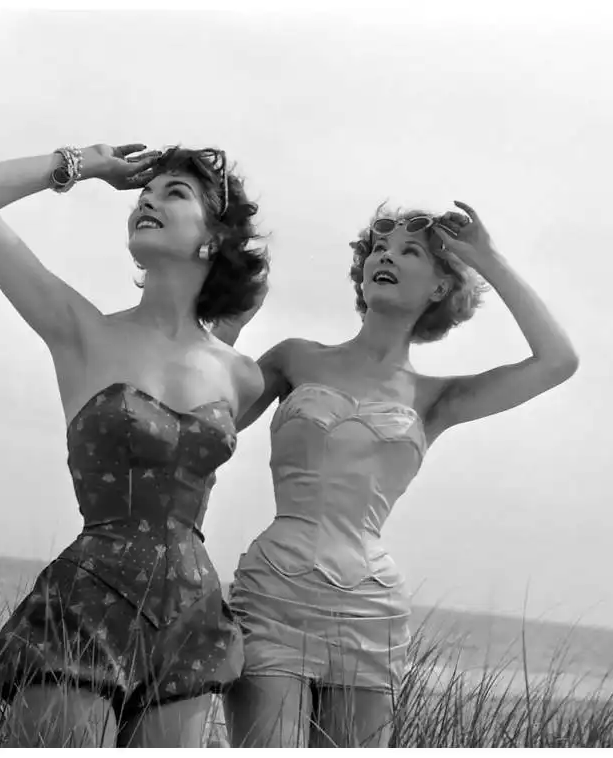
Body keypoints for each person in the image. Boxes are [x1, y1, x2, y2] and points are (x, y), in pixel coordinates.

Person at [0, 143, 268, 747]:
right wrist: (86, 164)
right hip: (88, 607)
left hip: (191, 620)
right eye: (146, 193)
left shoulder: (239, 374)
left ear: (213, 238)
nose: (148, 200)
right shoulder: (81, 331)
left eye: (174, 193)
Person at [216, 202, 579, 748]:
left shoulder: (437, 398)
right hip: (275, 595)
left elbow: (558, 361)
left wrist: (487, 259)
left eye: (410, 252)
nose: (386, 256)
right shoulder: (295, 358)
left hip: (371, 611)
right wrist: (225, 329)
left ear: (439, 288)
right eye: (379, 249)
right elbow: (209, 421)